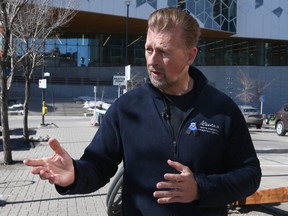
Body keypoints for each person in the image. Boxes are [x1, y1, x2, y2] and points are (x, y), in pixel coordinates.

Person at [24, 7, 261, 215]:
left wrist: (201, 188)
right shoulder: (126, 108)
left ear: (190, 55)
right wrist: (74, 174)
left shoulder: (222, 109)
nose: (152, 60)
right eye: (149, 49)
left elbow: (250, 175)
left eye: (164, 52)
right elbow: (98, 165)